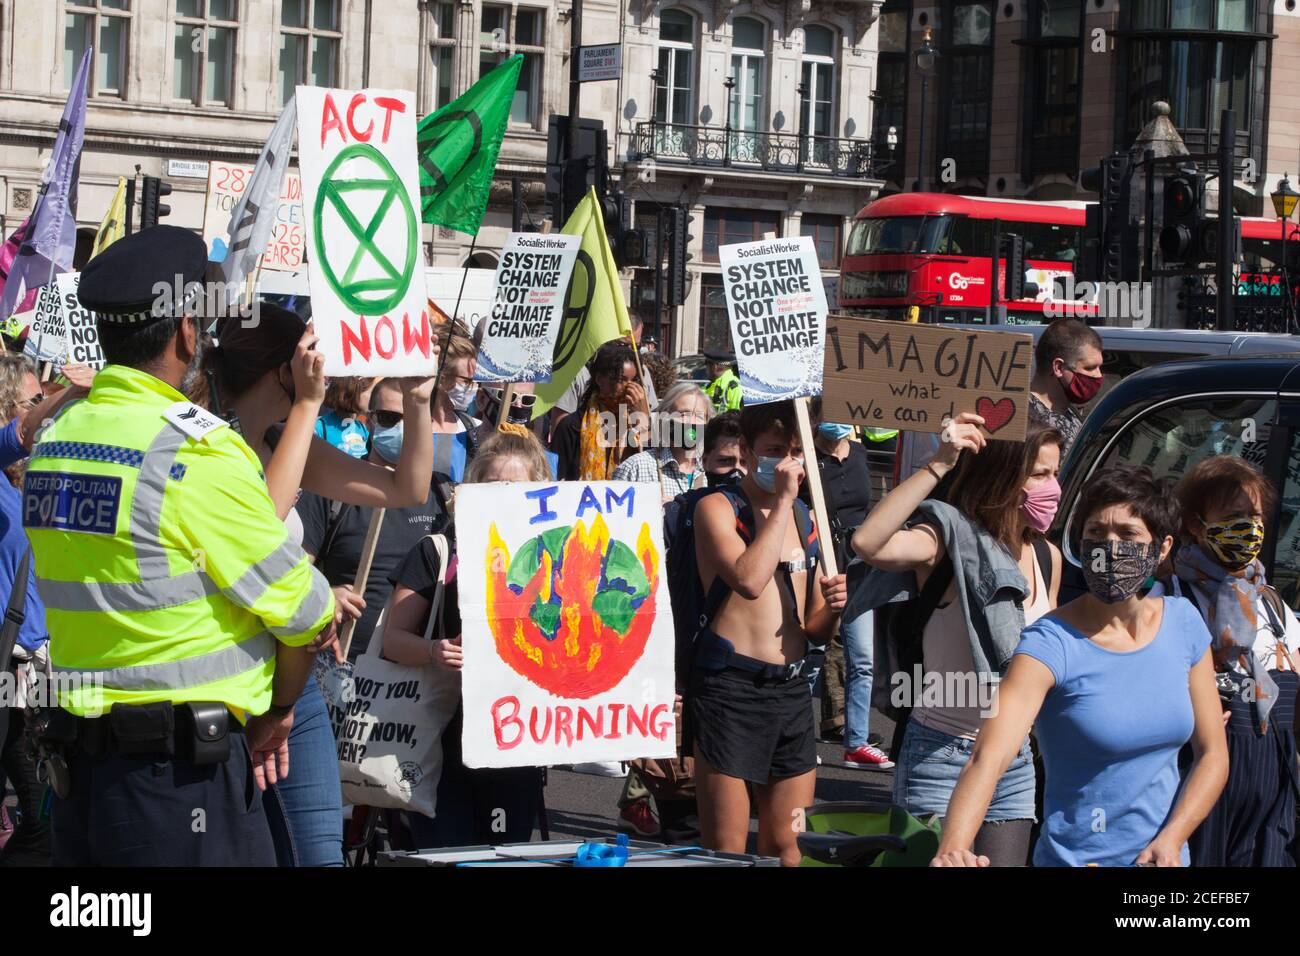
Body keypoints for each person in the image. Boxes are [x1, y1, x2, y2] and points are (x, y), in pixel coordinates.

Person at [23, 225, 337, 866]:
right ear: (187, 331)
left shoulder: (58, 436)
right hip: (178, 788)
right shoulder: (195, 451)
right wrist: (279, 712)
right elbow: (308, 614)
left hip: (82, 778)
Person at [198, 307, 436, 867]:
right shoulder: (208, 443)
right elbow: (263, 526)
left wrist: (419, 402)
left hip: (295, 683)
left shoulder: (289, 437)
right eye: (312, 355)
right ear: (287, 368)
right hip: (227, 683)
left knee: (317, 854)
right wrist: (307, 404)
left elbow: (407, 487)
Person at [931, 465, 1229, 867]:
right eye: (1095, 534)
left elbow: (1213, 754)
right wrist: (954, 848)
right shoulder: (1049, 643)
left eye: (1127, 535)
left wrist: (1172, 840)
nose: (1110, 547)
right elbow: (989, 756)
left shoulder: (1185, 623)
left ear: (1161, 548)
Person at [850, 414, 1064, 865]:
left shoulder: (1048, 557)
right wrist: (937, 465)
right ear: (1006, 476)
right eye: (1041, 474)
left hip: (1013, 760)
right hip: (941, 756)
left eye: (1056, 474)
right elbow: (869, 543)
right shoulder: (947, 538)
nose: (1053, 488)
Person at [687, 401, 847, 866]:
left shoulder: (807, 519)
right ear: (749, 452)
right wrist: (780, 502)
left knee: (787, 846)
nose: (789, 461)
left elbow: (814, 629)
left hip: (792, 692)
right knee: (726, 850)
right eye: (775, 449)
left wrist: (835, 607)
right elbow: (750, 580)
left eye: (797, 450)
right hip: (729, 691)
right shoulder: (716, 508)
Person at [381, 430, 548, 847]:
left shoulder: (554, 560)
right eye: (493, 487)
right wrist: (434, 651)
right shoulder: (438, 552)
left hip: (516, 745)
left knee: (506, 855)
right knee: (447, 854)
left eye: (516, 488)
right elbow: (392, 640)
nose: (504, 496)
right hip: (440, 743)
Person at [1171, 456, 1299, 867]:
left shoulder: (1273, 606)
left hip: (1273, 796)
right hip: (1198, 786)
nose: (1248, 528)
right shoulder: (1171, 598)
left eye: (1254, 516)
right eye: (1233, 517)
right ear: (1196, 524)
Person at [296, 377, 446, 662]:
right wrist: (326, 594)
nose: (402, 428)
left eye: (413, 418)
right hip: (341, 665)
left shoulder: (445, 496)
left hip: (414, 678)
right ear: (370, 422)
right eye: (390, 418)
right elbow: (291, 571)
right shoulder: (334, 489)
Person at [807, 399, 890, 768]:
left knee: (863, 660)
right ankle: (791, 736)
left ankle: (855, 742)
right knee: (809, 655)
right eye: (830, 416)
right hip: (819, 567)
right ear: (816, 418)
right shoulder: (809, 457)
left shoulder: (858, 454)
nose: (837, 423)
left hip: (857, 568)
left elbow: (868, 507)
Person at [0, 352, 49, 865]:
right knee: (39, 821)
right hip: (5, 667)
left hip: (32, 672)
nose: (44, 408)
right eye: (34, 400)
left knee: (42, 820)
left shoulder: (29, 477)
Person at [551, 339, 650, 481]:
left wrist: (643, 419)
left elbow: (651, 469)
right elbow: (554, 479)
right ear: (599, 379)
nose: (629, 388)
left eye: (634, 381)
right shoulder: (571, 426)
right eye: (620, 379)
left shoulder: (637, 423)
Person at [612, 382, 712, 501]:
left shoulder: (713, 470)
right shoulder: (635, 468)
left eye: (699, 416)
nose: (691, 422)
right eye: (683, 414)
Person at [1028, 318, 1103, 457]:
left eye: (1100, 367)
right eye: (1090, 368)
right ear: (1059, 367)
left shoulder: (1072, 413)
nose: (1098, 375)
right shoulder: (1022, 418)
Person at [429, 320, 481, 482]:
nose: (474, 387)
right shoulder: (408, 428)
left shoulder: (474, 428)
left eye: (476, 381)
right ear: (441, 378)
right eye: (467, 381)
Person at [314, 376, 377, 459]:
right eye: (372, 392)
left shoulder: (363, 428)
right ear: (355, 390)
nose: (375, 398)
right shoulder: (319, 428)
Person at [700, 411, 745, 485]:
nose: (737, 473)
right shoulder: (689, 497)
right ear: (705, 461)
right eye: (726, 461)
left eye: (745, 462)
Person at [702, 350, 742, 414]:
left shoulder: (735, 388)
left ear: (715, 367)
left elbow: (736, 418)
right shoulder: (708, 386)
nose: (706, 370)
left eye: (707, 366)